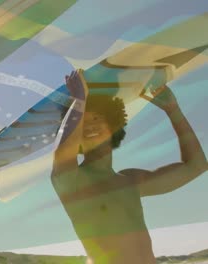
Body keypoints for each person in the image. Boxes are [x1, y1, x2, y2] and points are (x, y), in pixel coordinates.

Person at [51, 69, 207, 264]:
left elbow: (197, 166)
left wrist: (173, 110)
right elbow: (63, 152)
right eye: (84, 123)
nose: (90, 126)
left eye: (97, 118)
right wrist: (79, 101)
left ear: (113, 125)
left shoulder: (130, 181)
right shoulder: (71, 181)